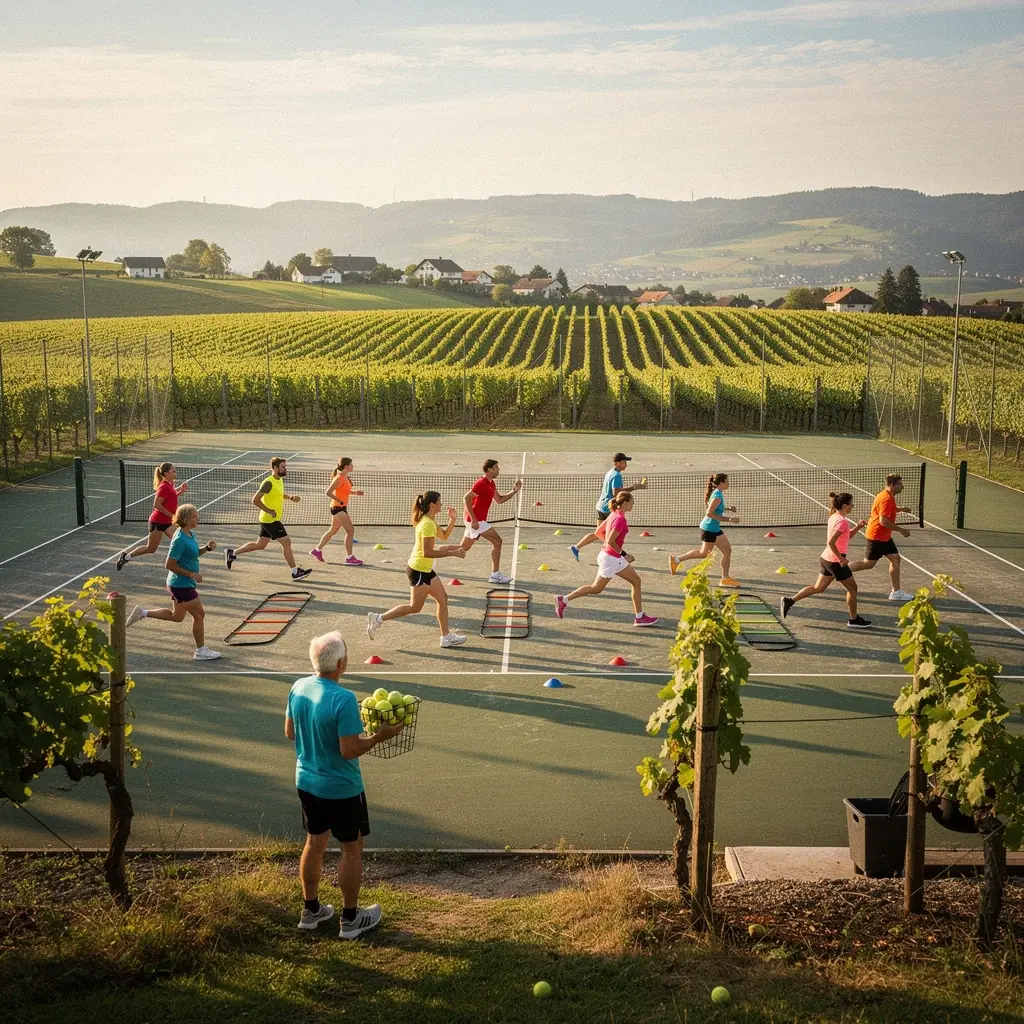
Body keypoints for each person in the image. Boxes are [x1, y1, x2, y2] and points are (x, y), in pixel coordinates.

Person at [286, 631, 404, 939]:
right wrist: (380, 736)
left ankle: (310, 911)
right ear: (341, 664)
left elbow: (290, 732)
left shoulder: (298, 687)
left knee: (314, 842)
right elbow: (349, 750)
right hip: (341, 788)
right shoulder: (343, 698)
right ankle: (350, 920)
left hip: (306, 781)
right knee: (352, 849)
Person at [366, 491, 468, 648]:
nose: (441, 504)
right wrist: (452, 553)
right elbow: (428, 552)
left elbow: (445, 536)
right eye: (439, 502)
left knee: (443, 598)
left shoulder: (430, 521)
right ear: (433, 505)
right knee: (414, 607)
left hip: (426, 570)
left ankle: (446, 637)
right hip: (419, 570)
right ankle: (378, 618)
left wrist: (452, 519)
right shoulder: (427, 525)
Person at [125, 503, 221, 659]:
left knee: (177, 616)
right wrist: (190, 574)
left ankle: (142, 613)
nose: (198, 518)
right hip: (181, 585)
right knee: (199, 615)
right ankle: (201, 651)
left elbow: (193, 554)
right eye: (195, 515)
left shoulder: (189, 534)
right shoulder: (179, 540)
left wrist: (206, 548)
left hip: (181, 584)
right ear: (188, 519)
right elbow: (169, 564)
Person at [555, 492, 658, 627]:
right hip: (610, 559)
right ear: (625, 503)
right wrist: (623, 554)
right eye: (632, 502)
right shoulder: (620, 519)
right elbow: (610, 540)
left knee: (636, 581)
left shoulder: (613, 514)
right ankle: (563, 600)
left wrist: (612, 549)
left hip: (611, 556)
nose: (633, 504)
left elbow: (598, 533)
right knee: (596, 588)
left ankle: (639, 617)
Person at [780, 492, 871, 628]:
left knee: (818, 588)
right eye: (852, 503)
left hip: (826, 559)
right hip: (835, 561)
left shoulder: (834, 517)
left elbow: (845, 537)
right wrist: (841, 558)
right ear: (845, 505)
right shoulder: (842, 522)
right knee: (853, 588)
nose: (853, 506)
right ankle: (854, 619)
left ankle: (789, 601)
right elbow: (831, 542)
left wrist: (858, 526)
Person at [224, 456, 313, 581]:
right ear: (275, 468)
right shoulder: (268, 482)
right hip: (270, 520)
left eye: (285, 466)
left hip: (268, 519)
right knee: (286, 542)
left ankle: (232, 553)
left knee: (260, 545)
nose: (285, 469)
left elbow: (278, 494)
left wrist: (290, 497)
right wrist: (269, 510)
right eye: (282, 467)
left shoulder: (279, 480)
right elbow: (255, 499)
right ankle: (295, 572)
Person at [848, 473, 914, 601]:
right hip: (877, 536)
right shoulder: (886, 499)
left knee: (895, 559)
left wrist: (901, 509)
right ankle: (841, 571)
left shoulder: (886, 495)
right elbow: (883, 521)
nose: (903, 486)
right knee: (868, 564)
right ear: (892, 485)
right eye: (900, 484)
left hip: (884, 537)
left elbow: (885, 510)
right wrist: (901, 530)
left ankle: (896, 592)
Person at [569, 453, 646, 561]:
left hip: (601, 506)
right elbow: (616, 493)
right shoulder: (617, 475)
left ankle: (576, 547)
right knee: (613, 536)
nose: (626, 465)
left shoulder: (610, 472)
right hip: (608, 509)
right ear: (617, 463)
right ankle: (618, 556)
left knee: (598, 533)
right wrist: (633, 487)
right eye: (624, 462)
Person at [669, 472, 741, 587]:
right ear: (721, 483)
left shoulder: (718, 493)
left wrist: (728, 508)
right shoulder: (717, 496)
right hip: (709, 529)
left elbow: (715, 508)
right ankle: (676, 560)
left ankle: (725, 578)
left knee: (727, 551)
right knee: (704, 554)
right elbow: (710, 513)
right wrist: (730, 519)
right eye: (727, 481)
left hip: (713, 528)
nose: (729, 483)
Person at [116, 462, 188, 571]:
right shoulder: (163, 486)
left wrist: (180, 492)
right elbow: (156, 505)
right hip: (157, 523)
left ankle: (180, 563)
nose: (175, 472)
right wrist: (172, 515)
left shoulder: (170, 483)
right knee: (151, 548)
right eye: (173, 470)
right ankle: (126, 556)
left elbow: (170, 498)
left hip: (168, 523)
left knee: (181, 540)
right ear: (166, 473)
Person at [460, 458, 522, 584]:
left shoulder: (491, 483)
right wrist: (474, 520)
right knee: (497, 541)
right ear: (490, 469)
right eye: (496, 467)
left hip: (476, 520)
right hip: (477, 520)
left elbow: (499, 500)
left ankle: (432, 552)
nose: (499, 469)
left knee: (462, 549)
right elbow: (466, 498)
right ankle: (495, 575)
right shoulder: (481, 483)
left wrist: (514, 491)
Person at [311, 457, 365, 566]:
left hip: (340, 507)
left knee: (333, 530)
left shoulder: (344, 478)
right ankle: (349, 558)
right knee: (350, 531)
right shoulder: (339, 478)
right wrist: (339, 501)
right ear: (346, 466)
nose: (353, 466)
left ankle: (317, 550)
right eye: (351, 464)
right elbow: (328, 492)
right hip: (337, 508)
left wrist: (354, 493)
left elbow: (343, 491)